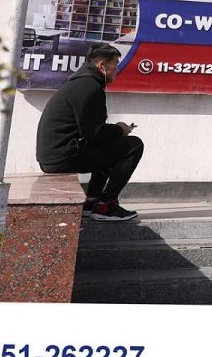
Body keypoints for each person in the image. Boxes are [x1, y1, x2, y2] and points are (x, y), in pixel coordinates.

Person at [35, 42, 144, 222]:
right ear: (102, 65)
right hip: (62, 158)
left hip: (56, 156)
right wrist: (120, 129)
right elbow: (94, 134)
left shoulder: (82, 83)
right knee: (134, 145)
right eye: (115, 64)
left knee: (111, 145)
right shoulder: (89, 88)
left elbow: (91, 131)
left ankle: (91, 202)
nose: (118, 69)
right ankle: (106, 205)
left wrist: (115, 132)